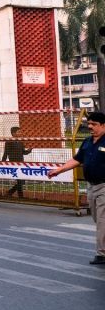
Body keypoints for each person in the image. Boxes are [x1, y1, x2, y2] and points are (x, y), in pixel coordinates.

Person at [47, 111, 105, 265]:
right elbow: (76, 160)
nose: (90, 127)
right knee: (97, 218)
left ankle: (102, 254)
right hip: (91, 186)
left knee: (102, 221)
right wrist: (59, 170)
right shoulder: (87, 142)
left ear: (103, 125)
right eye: (89, 124)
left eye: (94, 124)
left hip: (104, 186)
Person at [2, 126, 31, 198]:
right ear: (13, 133)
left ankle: (10, 192)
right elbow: (6, 153)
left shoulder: (21, 142)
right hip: (14, 163)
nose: (21, 133)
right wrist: (3, 163)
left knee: (21, 181)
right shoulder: (9, 142)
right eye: (19, 132)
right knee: (20, 180)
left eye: (20, 132)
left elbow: (23, 152)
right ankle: (20, 196)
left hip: (21, 163)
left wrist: (29, 150)